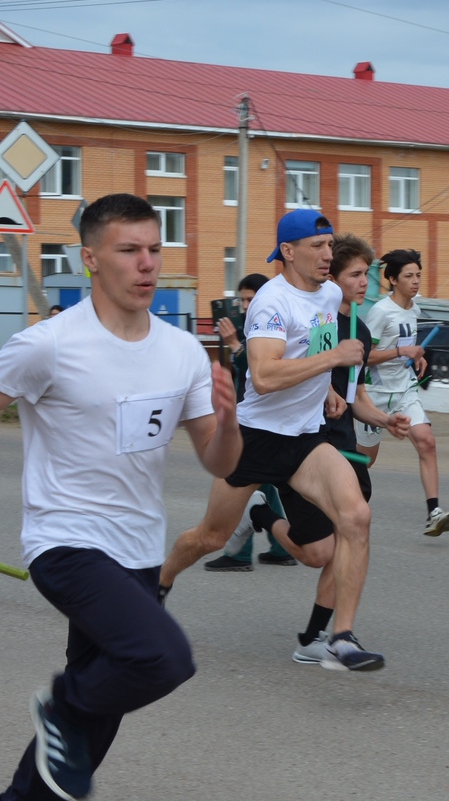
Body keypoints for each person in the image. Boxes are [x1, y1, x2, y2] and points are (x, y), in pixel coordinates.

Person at [0, 193, 240, 801]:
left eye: (155, 248)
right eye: (130, 249)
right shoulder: (51, 345)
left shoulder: (182, 351)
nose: (147, 263)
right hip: (64, 540)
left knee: (101, 711)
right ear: (91, 257)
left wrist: (231, 421)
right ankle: (58, 704)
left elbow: (215, 460)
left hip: (137, 549)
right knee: (160, 658)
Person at [158, 209, 384, 670]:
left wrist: (327, 395)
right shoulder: (270, 302)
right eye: (318, 247)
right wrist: (332, 362)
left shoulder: (328, 294)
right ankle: (155, 585)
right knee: (211, 538)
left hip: (304, 439)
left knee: (355, 517)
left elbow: (315, 353)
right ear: (288, 251)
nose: (327, 255)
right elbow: (262, 375)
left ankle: (339, 638)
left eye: (329, 245)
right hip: (255, 439)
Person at [231, 234, 411, 663]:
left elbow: (356, 396)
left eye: (366, 275)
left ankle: (324, 636)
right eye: (354, 274)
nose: (362, 283)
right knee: (317, 551)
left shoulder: (361, 332)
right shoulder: (317, 315)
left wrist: (386, 420)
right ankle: (261, 513)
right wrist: (326, 381)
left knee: (347, 534)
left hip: (345, 446)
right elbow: (292, 375)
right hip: (305, 439)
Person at [205, 271, 295, 572]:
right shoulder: (250, 323)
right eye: (242, 299)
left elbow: (259, 372)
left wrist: (233, 344)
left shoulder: (269, 322)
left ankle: (239, 554)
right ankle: (280, 547)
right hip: (254, 416)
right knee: (264, 485)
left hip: (263, 419)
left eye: (250, 298)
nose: (246, 305)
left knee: (241, 481)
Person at [363, 249, 449, 536]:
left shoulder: (414, 309)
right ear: (392, 279)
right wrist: (402, 350)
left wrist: (417, 357)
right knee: (365, 461)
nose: (415, 281)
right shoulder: (380, 311)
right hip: (373, 393)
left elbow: (407, 349)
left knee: (426, 442)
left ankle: (434, 512)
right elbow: (364, 356)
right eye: (409, 276)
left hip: (404, 390)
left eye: (418, 275)